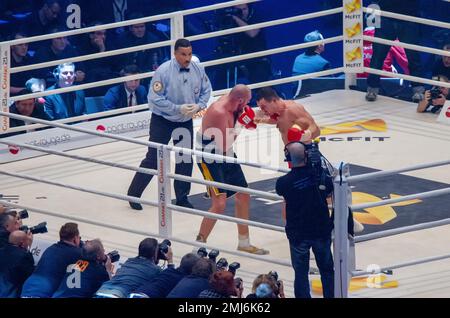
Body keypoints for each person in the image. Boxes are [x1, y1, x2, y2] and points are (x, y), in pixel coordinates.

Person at [127, 38, 212, 210]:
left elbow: (206, 91)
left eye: (189, 54)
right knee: (153, 158)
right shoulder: (163, 71)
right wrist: (177, 108)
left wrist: (199, 105)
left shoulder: (198, 68)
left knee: (184, 159)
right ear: (175, 54)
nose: (187, 58)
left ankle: (182, 197)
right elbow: (154, 98)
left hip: (184, 121)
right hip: (162, 120)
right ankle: (133, 194)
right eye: (183, 54)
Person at [195, 84, 268, 255]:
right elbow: (225, 142)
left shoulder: (234, 103)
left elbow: (228, 142)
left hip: (225, 153)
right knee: (219, 204)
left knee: (243, 194)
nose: (248, 104)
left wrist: (257, 117)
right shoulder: (219, 111)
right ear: (240, 99)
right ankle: (197, 247)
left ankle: (244, 242)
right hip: (209, 156)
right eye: (247, 101)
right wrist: (241, 124)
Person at [275, 142, 334, 298]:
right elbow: (330, 188)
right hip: (320, 231)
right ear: (307, 155)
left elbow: (281, 192)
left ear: (288, 158)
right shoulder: (320, 176)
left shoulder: (283, 182)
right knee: (327, 270)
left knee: (300, 273)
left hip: (298, 234)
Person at [365, 0, 425, 102]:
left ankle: (418, 90)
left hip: (409, 16)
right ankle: (372, 89)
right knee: (378, 56)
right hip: (386, 16)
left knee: (413, 56)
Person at [21, 223, 82, 298]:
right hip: (46, 290)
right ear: (75, 239)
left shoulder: (51, 248)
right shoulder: (77, 254)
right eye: (79, 238)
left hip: (28, 286)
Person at [95, 238, 169, 298]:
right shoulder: (156, 270)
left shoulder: (129, 261)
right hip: (118, 295)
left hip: (101, 291)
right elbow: (168, 282)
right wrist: (169, 260)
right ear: (155, 254)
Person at [255, 87, 320, 145]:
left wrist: (303, 136)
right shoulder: (276, 112)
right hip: (290, 153)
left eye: (264, 107)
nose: (263, 110)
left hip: (305, 151)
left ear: (274, 100)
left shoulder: (293, 109)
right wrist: (260, 120)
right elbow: (280, 121)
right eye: (261, 108)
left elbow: (315, 129)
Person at [132, 252, 199, 298]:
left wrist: (170, 260)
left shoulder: (169, 271)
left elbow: (171, 269)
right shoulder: (183, 281)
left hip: (136, 293)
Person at [292, 30, 330, 98]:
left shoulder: (297, 58)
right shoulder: (323, 63)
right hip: (313, 99)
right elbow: (333, 84)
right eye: (323, 41)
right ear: (319, 45)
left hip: (296, 96)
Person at [0, 231, 35, 297]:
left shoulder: (1, 250)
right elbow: (31, 274)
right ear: (22, 243)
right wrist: (28, 248)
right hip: (10, 293)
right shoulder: (24, 256)